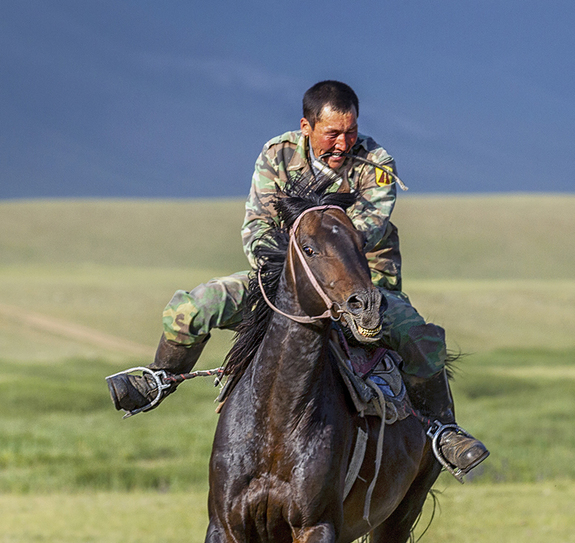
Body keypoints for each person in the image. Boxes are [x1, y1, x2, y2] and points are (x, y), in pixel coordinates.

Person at [106, 80, 488, 477]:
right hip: (284, 279)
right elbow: (257, 227)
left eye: (351, 132)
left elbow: (362, 235)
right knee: (191, 308)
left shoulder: (377, 163)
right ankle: (160, 378)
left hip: (360, 284)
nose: (343, 143)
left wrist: (326, 272)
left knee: (420, 338)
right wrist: (283, 275)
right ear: (306, 126)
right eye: (333, 134)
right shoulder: (277, 155)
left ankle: (443, 430)